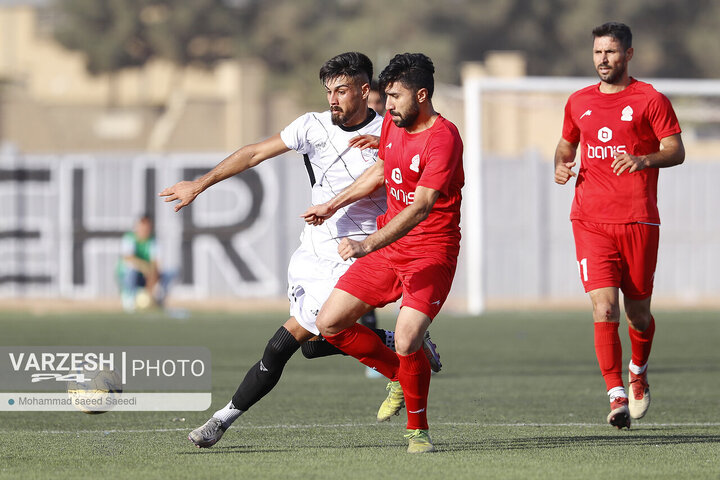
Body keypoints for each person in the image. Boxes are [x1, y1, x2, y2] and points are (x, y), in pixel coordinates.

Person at [159, 52, 441, 448]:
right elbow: (254, 152)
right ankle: (399, 344)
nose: (333, 99)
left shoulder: (391, 130)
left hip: (356, 252)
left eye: (341, 90)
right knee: (309, 346)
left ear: (364, 90)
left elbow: (414, 171)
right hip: (311, 251)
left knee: (285, 344)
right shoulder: (311, 126)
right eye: (328, 91)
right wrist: (200, 184)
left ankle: (221, 421)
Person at [302, 53, 464, 453]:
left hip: (430, 253)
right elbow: (379, 171)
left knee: (408, 338)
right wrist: (332, 204)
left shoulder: (444, 138)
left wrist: (366, 244)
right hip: (390, 249)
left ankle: (418, 431)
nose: (385, 106)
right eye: (384, 96)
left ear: (421, 95)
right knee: (330, 323)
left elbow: (422, 205)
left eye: (394, 96)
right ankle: (398, 376)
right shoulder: (393, 124)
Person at [554, 22, 684, 429]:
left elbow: (675, 150)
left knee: (638, 313)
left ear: (628, 54)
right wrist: (560, 162)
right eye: (597, 53)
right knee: (604, 306)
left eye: (610, 52)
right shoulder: (578, 101)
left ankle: (638, 369)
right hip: (590, 219)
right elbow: (566, 142)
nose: (603, 60)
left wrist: (643, 160)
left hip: (639, 219)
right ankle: (615, 395)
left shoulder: (650, 99)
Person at [117, 215, 173, 312]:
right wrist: (145, 267)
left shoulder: (153, 241)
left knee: (170, 273)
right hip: (130, 275)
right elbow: (129, 258)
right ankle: (129, 298)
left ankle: (159, 298)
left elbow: (156, 263)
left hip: (146, 275)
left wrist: (152, 284)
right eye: (142, 226)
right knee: (131, 270)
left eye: (147, 226)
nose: (144, 229)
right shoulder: (129, 238)